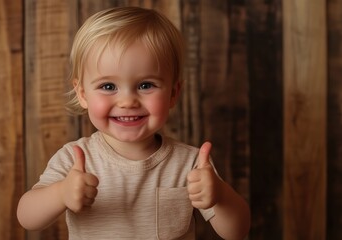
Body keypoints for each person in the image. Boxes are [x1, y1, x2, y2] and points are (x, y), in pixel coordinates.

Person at [17, 6, 250, 240]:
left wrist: (220, 195)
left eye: (146, 85)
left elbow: (237, 232)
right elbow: (27, 217)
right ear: (83, 94)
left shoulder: (191, 164)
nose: (127, 101)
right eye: (108, 87)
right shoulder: (75, 158)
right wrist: (60, 193)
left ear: (173, 93)